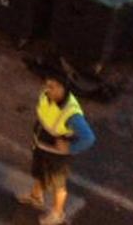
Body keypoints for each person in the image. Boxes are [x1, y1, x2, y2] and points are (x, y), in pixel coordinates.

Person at [17, 73, 95, 225]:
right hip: (42, 146)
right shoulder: (46, 96)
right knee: (39, 172)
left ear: (62, 88)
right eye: (47, 84)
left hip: (57, 156)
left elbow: (89, 138)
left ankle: (57, 213)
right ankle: (36, 196)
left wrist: (70, 148)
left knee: (58, 185)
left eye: (51, 86)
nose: (47, 89)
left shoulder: (72, 114)